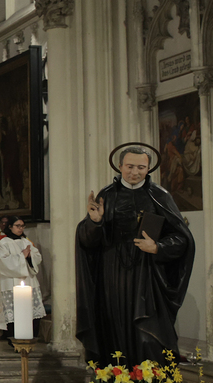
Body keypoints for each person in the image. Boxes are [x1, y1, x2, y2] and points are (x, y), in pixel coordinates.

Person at [76, 146, 195, 366]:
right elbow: (87, 241)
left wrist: (158, 247)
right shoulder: (106, 195)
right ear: (120, 166)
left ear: (149, 168)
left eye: (141, 167)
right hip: (112, 274)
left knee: (149, 334)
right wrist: (94, 222)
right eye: (130, 166)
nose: (135, 172)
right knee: (114, 327)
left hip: (147, 274)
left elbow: (182, 239)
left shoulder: (160, 196)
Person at [0, 218, 45, 337]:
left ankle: (31, 338)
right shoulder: (3, 243)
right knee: (13, 313)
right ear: (10, 227)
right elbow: (4, 262)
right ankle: (14, 339)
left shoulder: (26, 242)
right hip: (10, 282)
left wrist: (29, 257)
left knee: (32, 312)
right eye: (17, 225)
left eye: (22, 226)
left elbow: (37, 257)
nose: (20, 228)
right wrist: (22, 256)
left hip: (29, 281)